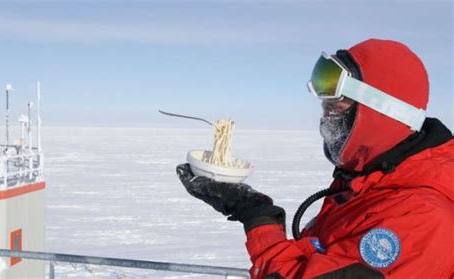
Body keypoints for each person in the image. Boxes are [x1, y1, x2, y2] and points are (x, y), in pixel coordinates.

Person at [176, 39, 454, 278]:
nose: (325, 115)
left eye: (335, 105)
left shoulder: (420, 219)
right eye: (324, 105)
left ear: (381, 111)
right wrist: (252, 206)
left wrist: (259, 219)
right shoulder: (369, 182)